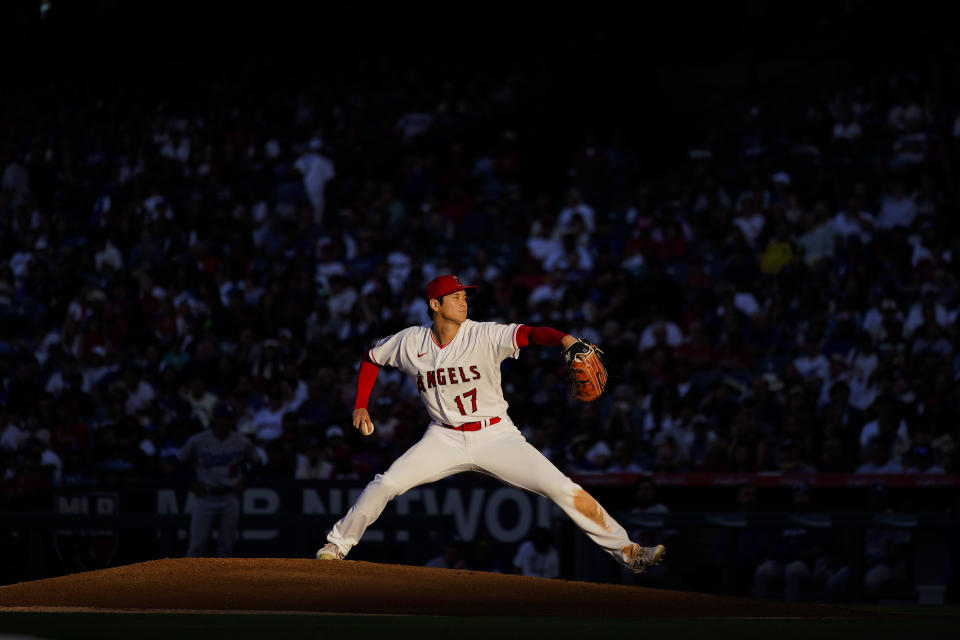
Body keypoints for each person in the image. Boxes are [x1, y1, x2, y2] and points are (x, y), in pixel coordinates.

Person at [315, 274, 665, 574]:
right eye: (455, 296)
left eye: (465, 295)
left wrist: (566, 339)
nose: (463, 301)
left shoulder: (483, 334)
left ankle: (630, 552)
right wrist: (361, 405)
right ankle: (335, 547)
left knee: (562, 488)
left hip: (496, 435)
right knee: (385, 483)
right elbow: (371, 357)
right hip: (443, 437)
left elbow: (530, 333)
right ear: (435, 305)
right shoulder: (411, 341)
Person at [178, 402, 260, 557]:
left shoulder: (241, 442)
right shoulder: (198, 441)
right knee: (197, 544)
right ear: (214, 419)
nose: (225, 422)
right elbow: (180, 463)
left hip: (230, 497)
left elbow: (257, 463)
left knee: (227, 546)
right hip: (205, 496)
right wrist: (190, 483)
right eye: (222, 418)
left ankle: (224, 581)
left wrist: (245, 484)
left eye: (229, 419)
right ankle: (187, 580)